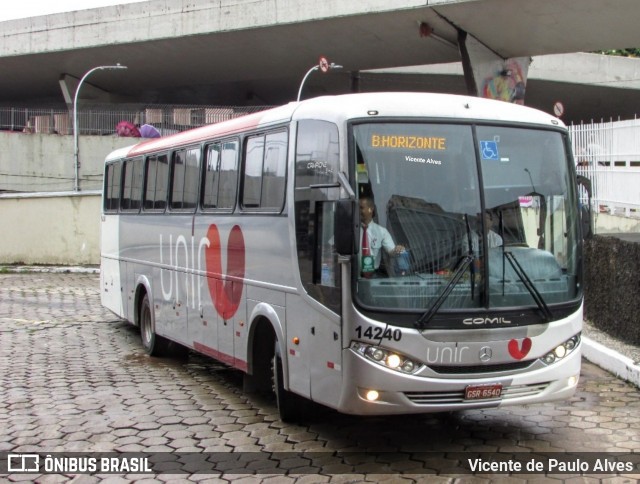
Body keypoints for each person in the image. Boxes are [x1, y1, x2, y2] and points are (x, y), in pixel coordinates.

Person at [359, 196, 405, 277]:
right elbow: (331, 248)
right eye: (357, 208)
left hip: (373, 277)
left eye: (361, 208)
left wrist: (397, 249)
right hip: (352, 277)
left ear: (371, 209)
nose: (358, 211)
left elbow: (391, 252)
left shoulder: (381, 231)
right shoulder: (349, 229)